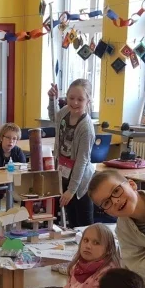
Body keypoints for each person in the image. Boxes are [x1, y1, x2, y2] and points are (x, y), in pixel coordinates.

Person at [48, 78, 96, 228]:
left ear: (88, 101)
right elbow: (54, 118)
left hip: (80, 183)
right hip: (64, 175)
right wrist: (52, 99)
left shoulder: (86, 128)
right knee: (72, 223)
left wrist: (71, 190)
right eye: (71, 98)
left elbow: (82, 161)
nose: (75, 102)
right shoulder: (65, 112)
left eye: (80, 99)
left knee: (84, 225)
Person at [0, 122, 27, 231]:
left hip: (14, 182)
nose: (11, 141)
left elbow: (24, 168)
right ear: (1, 138)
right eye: (8, 138)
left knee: (27, 190)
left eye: (14, 139)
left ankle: (24, 218)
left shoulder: (18, 151)